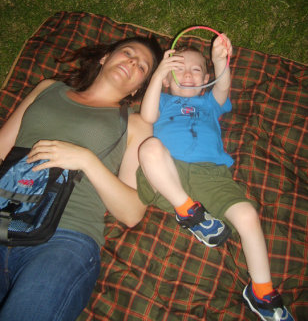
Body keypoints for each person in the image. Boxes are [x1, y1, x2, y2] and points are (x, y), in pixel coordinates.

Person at [0, 36, 163, 321]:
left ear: (139, 88)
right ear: (105, 58)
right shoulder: (49, 89)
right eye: (128, 53)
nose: (132, 62)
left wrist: (85, 159)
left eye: (142, 67)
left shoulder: (135, 123)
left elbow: (132, 212)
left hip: (64, 238)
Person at [136, 34, 294, 321]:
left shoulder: (210, 103)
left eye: (196, 70)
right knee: (149, 149)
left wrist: (221, 61)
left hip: (212, 175)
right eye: (178, 69)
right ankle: (188, 211)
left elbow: (222, 87)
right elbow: (146, 116)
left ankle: (262, 291)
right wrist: (157, 77)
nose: (187, 74)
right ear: (167, 81)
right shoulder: (162, 101)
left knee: (247, 215)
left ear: (205, 79)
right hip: (168, 173)